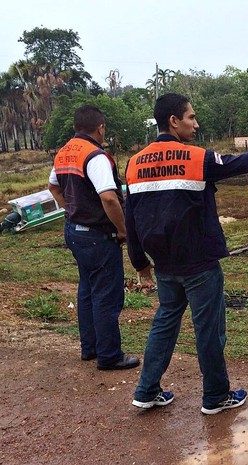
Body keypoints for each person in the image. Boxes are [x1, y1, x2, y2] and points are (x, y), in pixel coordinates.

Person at [125, 93, 248, 414]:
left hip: (164, 264)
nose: (196, 124)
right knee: (208, 329)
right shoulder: (196, 158)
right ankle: (215, 396)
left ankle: (146, 390)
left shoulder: (134, 163)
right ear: (173, 121)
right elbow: (240, 163)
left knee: (165, 323)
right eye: (191, 118)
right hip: (199, 264)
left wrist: (140, 263)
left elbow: (131, 220)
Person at [48, 104, 140, 370]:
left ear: (77, 127)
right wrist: (122, 229)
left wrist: (71, 208)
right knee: (106, 296)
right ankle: (110, 355)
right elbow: (109, 197)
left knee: (87, 290)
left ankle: (89, 348)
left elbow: (53, 185)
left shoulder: (64, 153)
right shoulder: (96, 156)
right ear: (100, 128)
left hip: (74, 232)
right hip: (98, 237)